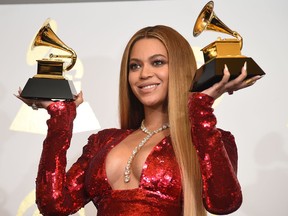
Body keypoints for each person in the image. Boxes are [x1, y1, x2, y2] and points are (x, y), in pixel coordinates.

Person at [16, 25, 262, 216]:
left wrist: (201, 108)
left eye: (158, 62)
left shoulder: (208, 139)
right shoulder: (104, 141)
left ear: (180, 67)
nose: (144, 74)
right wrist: (60, 118)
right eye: (135, 66)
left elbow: (224, 202)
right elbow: (54, 205)